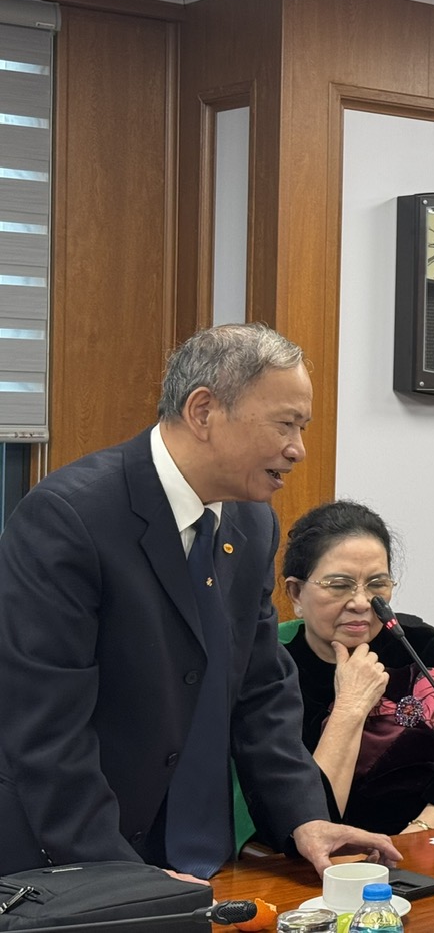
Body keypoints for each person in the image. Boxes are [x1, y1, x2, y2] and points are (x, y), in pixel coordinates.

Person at [0, 324, 398, 879]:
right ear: (204, 411)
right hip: (77, 860)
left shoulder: (252, 523)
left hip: (206, 858)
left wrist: (304, 817)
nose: (298, 449)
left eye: (302, 427)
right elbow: (46, 729)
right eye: (285, 424)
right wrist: (120, 875)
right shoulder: (70, 518)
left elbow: (260, 689)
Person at [282, 500, 434, 834]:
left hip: (428, 841)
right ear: (296, 593)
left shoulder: (423, 647)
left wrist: (414, 837)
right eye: (339, 585)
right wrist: (350, 706)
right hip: (334, 855)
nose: (361, 603)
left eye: (376, 584)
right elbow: (304, 816)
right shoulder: (276, 672)